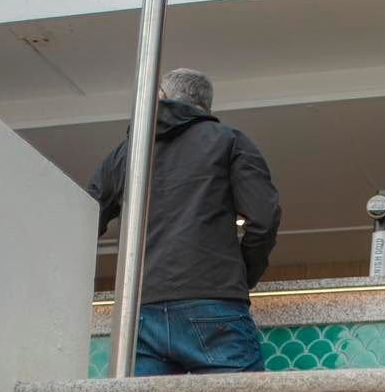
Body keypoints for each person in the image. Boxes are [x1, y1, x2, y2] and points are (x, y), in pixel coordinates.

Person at [88, 68, 280, 375]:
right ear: (205, 105)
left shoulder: (127, 153)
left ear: (161, 97)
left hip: (141, 311)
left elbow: (85, 218)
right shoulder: (230, 142)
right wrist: (243, 275)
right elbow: (264, 219)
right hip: (214, 303)